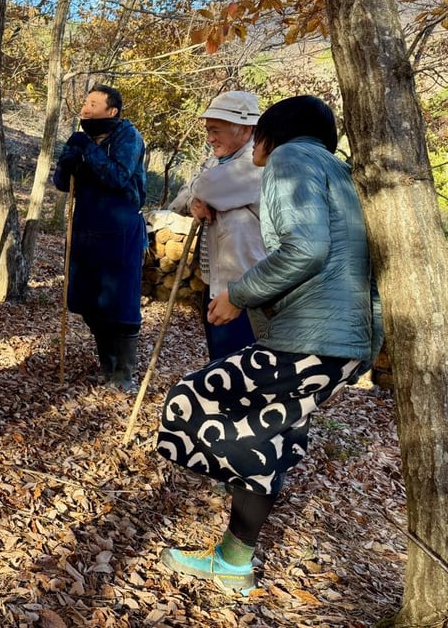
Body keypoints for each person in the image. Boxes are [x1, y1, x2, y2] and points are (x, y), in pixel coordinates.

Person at [156, 95, 382, 595]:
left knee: (191, 401)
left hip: (314, 335)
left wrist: (238, 293)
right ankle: (234, 561)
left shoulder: (290, 157)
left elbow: (306, 248)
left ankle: (237, 508)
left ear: (264, 133)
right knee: (267, 437)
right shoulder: (335, 168)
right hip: (345, 339)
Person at [52, 84, 147, 392]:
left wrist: (86, 150)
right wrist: (67, 162)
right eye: (85, 102)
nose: (85, 107)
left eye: (94, 103)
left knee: (119, 301)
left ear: (112, 111)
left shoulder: (127, 136)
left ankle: (123, 375)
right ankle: (106, 367)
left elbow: (118, 176)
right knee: (90, 300)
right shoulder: (86, 138)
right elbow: (64, 185)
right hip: (86, 226)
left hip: (119, 227)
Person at [169, 91, 268, 361]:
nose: (210, 138)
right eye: (208, 130)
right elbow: (181, 198)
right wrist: (193, 202)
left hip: (246, 292)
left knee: (242, 370)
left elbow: (205, 185)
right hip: (217, 284)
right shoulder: (220, 161)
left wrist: (198, 189)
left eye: (216, 130)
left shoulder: (254, 163)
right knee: (220, 365)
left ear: (245, 129)